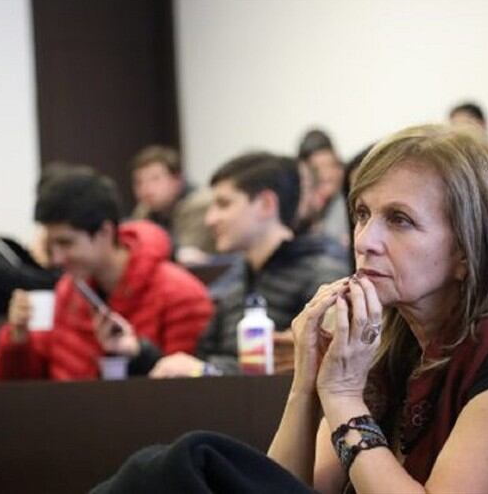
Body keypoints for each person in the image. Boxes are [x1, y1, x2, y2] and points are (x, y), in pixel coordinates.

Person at [268, 124, 488, 492]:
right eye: (363, 214)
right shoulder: (380, 346)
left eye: (399, 220)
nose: (366, 240)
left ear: (466, 249)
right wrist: (306, 387)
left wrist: (342, 397)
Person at [0, 170, 213, 381]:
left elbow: (188, 393)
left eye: (66, 243)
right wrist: (18, 337)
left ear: (105, 233)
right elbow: (32, 387)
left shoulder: (179, 293)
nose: (56, 258)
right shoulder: (68, 289)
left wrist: (137, 353)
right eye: (51, 246)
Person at [149, 152, 348, 378]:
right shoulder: (232, 284)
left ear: (265, 204)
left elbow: (311, 371)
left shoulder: (323, 278)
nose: (210, 219)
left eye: (224, 204)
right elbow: (205, 358)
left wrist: (206, 371)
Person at [129, 145, 215, 265]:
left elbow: (186, 255)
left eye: (155, 179)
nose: (146, 189)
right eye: (139, 182)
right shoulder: (145, 209)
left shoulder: (200, 204)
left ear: (177, 180)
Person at [299, 129, 349, 247]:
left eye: (333, 166)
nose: (327, 175)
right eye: (316, 169)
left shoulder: (347, 201)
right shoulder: (300, 209)